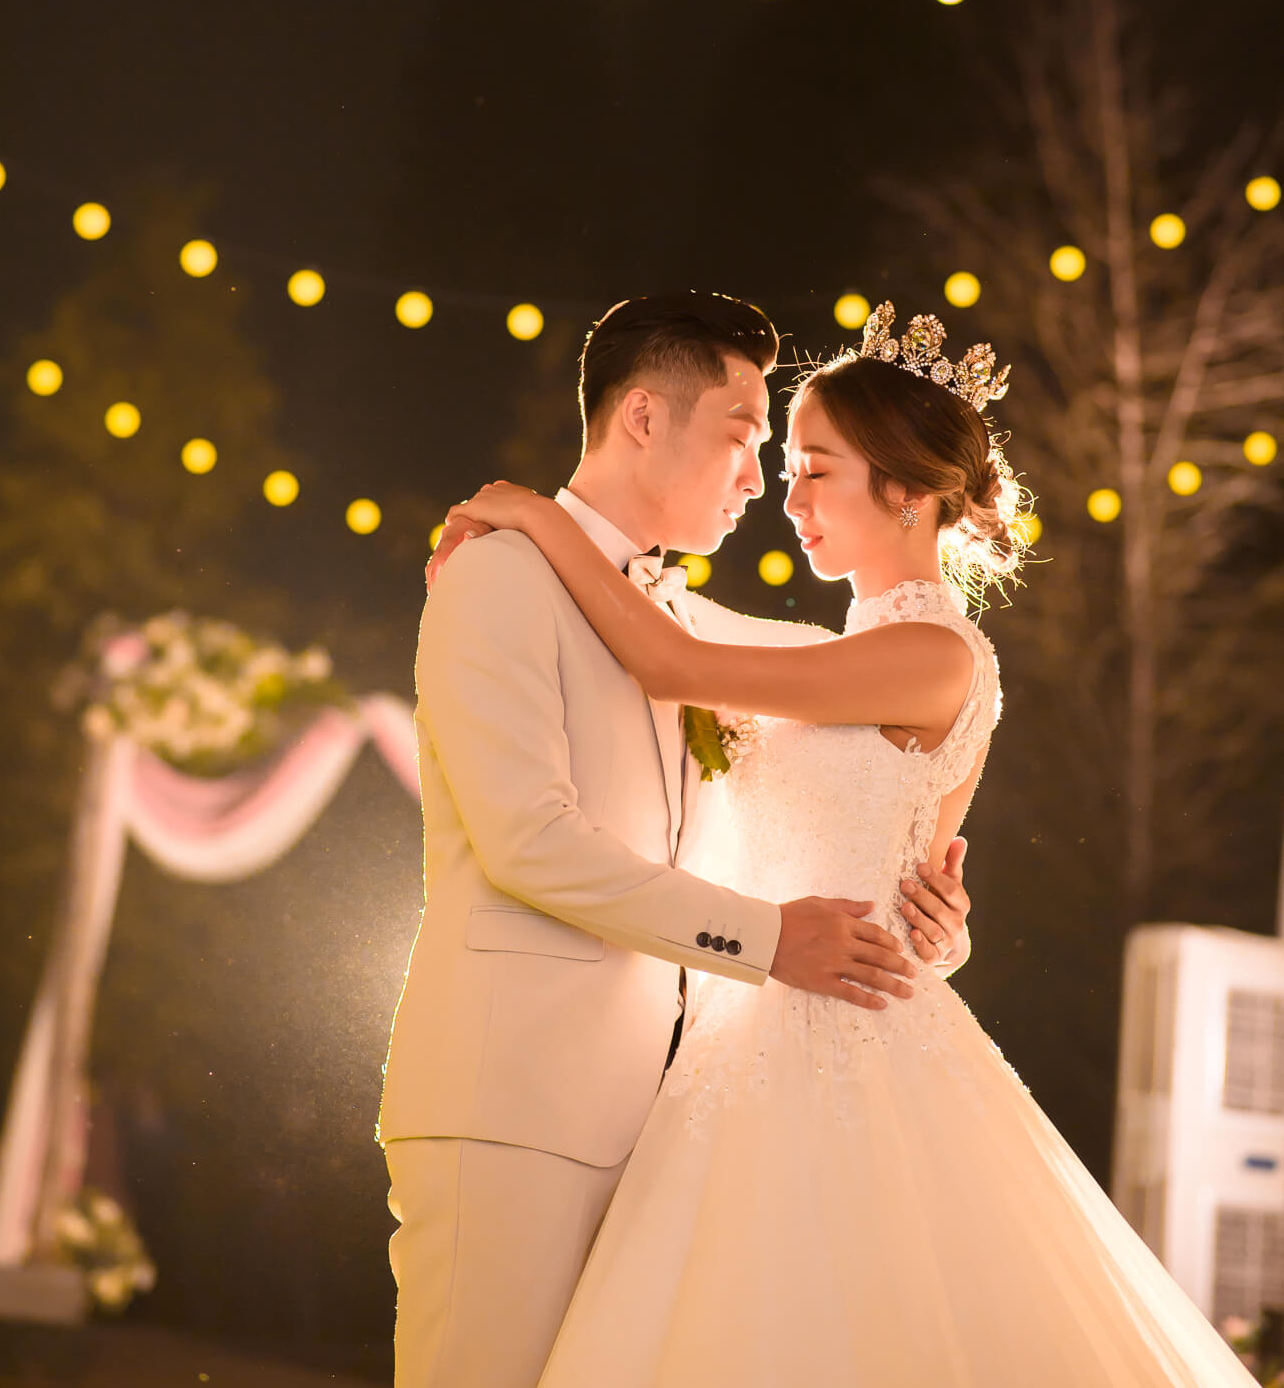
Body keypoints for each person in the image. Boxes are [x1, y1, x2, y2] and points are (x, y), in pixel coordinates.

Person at [444, 302, 1254, 1387]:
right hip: (747, 1032)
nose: (785, 494)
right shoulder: (837, 649)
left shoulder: (930, 652)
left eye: (814, 467)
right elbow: (678, 630)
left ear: (910, 493)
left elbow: (672, 663)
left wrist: (529, 515)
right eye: (782, 461)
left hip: (837, 1037)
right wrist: (938, 927)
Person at [377, 293, 974, 1388]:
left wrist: (922, 921)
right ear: (643, 417)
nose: (760, 482)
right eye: (749, 439)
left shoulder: (674, 622)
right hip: (514, 1102)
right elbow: (529, 843)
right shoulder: (502, 577)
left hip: (668, 1121)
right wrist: (768, 938)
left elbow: (846, 779)